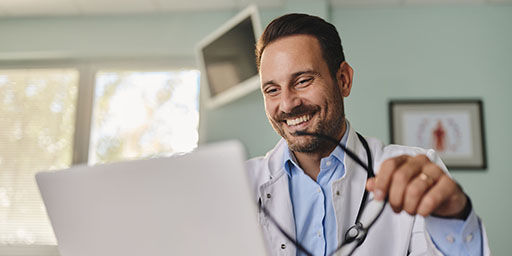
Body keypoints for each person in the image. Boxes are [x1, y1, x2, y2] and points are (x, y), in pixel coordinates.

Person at [245, 13, 490, 256]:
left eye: (303, 81)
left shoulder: (415, 175)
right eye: (272, 89)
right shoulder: (241, 184)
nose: (287, 104)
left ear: (343, 80)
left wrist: (454, 222)